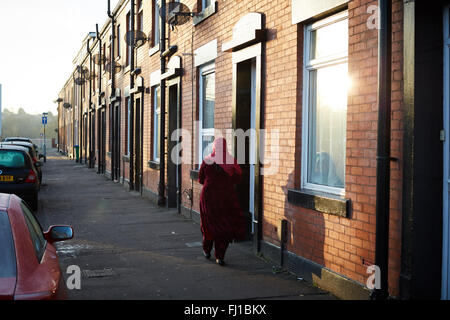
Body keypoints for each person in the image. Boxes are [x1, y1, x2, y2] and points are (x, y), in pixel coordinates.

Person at [198, 137, 246, 266]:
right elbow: (238, 178)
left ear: (214, 146)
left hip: (208, 197)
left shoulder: (207, 160)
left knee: (207, 225)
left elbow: (200, 179)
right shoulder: (231, 161)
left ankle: (206, 250)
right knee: (224, 226)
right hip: (225, 197)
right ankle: (220, 256)